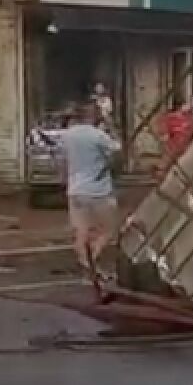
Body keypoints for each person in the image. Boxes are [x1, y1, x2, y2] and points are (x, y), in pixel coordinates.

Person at [59, 102, 122, 279]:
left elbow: (62, 160)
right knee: (108, 229)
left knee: (81, 230)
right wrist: (110, 124)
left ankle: (84, 261)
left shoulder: (68, 135)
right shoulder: (98, 135)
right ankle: (91, 260)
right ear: (95, 116)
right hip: (99, 190)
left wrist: (64, 180)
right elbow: (118, 150)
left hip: (76, 189)